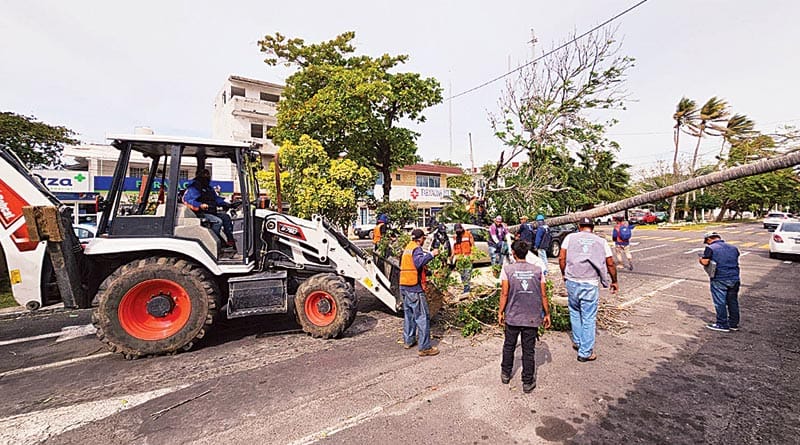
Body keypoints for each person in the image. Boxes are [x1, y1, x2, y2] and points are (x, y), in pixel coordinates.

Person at [558, 217, 618, 362]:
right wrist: (614, 281)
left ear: (579, 226)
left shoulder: (569, 238)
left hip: (572, 280)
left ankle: (578, 342)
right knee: (588, 317)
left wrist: (564, 274)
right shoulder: (601, 241)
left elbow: (561, 258)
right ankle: (585, 352)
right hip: (589, 283)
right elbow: (610, 263)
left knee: (574, 311)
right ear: (593, 227)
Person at [499, 240, 551, 393]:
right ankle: (527, 381)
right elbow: (543, 294)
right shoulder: (537, 270)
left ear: (513, 254)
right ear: (526, 253)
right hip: (532, 317)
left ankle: (506, 373)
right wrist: (546, 313)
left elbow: (504, 293)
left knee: (509, 345)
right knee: (529, 350)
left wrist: (500, 311)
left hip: (513, 315)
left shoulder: (507, 270)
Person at [400, 229, 440, 356]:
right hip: (414, 288)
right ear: (420, 238)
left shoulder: (408, 247)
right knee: (422, 316)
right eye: (423, 238)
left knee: (409, 315)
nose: (424, 241)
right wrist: (432, 254)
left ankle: (409, 340)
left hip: (404, 285)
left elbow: (412, 266)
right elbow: (418, 263)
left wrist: (428, 272)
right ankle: (424, 347)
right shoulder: (417, 249)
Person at [183, 169, 236, 249]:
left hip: (211, 212)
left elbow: (216, 199)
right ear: (199, 176)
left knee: (226, 217)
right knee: (218, 221)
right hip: (200, 213)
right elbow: (188, 200)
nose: (207, 177)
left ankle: (231, 241)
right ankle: (214, 242)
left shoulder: (209, 188)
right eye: (205, 175)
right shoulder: (194, 187)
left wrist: (227, 204)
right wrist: (200, 205)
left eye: (208, 175)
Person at [699, 232, 740, 332]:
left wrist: (700, 259)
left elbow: (705, 262)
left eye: (707, 242)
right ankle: (733, 324)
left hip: (719, 278)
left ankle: (722, 324)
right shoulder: (733, 248)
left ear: (709, 239)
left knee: (720, 302)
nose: (707, 244)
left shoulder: (711, 248)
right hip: (734, 278)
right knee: (732, 301)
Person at [452, 223, 475, 293]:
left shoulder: (468, 234)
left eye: (459, 230)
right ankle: (466, 287)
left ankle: (466, 290)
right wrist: (452, 256)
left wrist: (472, 255)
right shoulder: (455, 237)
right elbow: (454, 247)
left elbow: (473, 245)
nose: (458, 232)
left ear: (462, 229)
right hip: (459, 258)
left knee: (467, 274)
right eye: (457, 231)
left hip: (467, 257)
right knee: (462, 274)